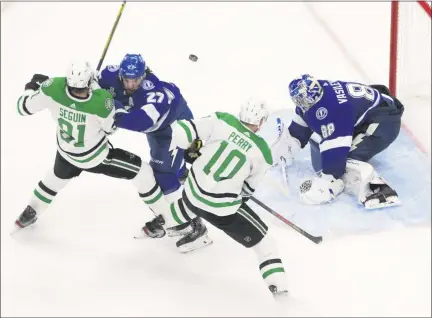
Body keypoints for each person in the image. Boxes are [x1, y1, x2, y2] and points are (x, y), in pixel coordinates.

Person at [137, 99, 289, 296]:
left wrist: (193, 147)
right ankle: (282, 294)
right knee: (266, 244)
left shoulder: (221, 120)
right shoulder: (263, 152)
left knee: (191, 204)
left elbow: (183, 131)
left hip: (193, 191)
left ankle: (155, 226)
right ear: (260, 122)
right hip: (222, 208)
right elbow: (247, 190)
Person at [14, 61, 172, 232]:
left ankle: (31, 211)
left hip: (66, 152)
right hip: (94, 157)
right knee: (143, 172)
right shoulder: (101, 101)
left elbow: (22, 107)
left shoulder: (52, 88)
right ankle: (170, 219)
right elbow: (110, 129)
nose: (80, 93)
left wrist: (32, 87)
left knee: (53, 180)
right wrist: (94, 83)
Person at [97, 54, 211, 246]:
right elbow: (89, 83)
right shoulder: (109, 74)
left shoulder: (153, 91)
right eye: (127, 79)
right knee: (169, 166)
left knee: (162, 176)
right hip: (158, 131)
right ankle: (181, 172)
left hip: (174, 128)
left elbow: (141, 122)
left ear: (143, 76)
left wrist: (112, 107)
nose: (131, 84)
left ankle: (193, 225)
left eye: (136, 80)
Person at [275, 74, 404, 209]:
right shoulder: (315, 92)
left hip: (384, 123)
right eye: (300, 101)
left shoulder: (334, 110)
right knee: (330, 148)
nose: (303, 104)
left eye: (306, 101)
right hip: (373, 110)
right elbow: (302, 123)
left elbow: (336, 153)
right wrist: (289, 144)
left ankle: (379, 191)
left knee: (345, 162)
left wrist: (329, 180)